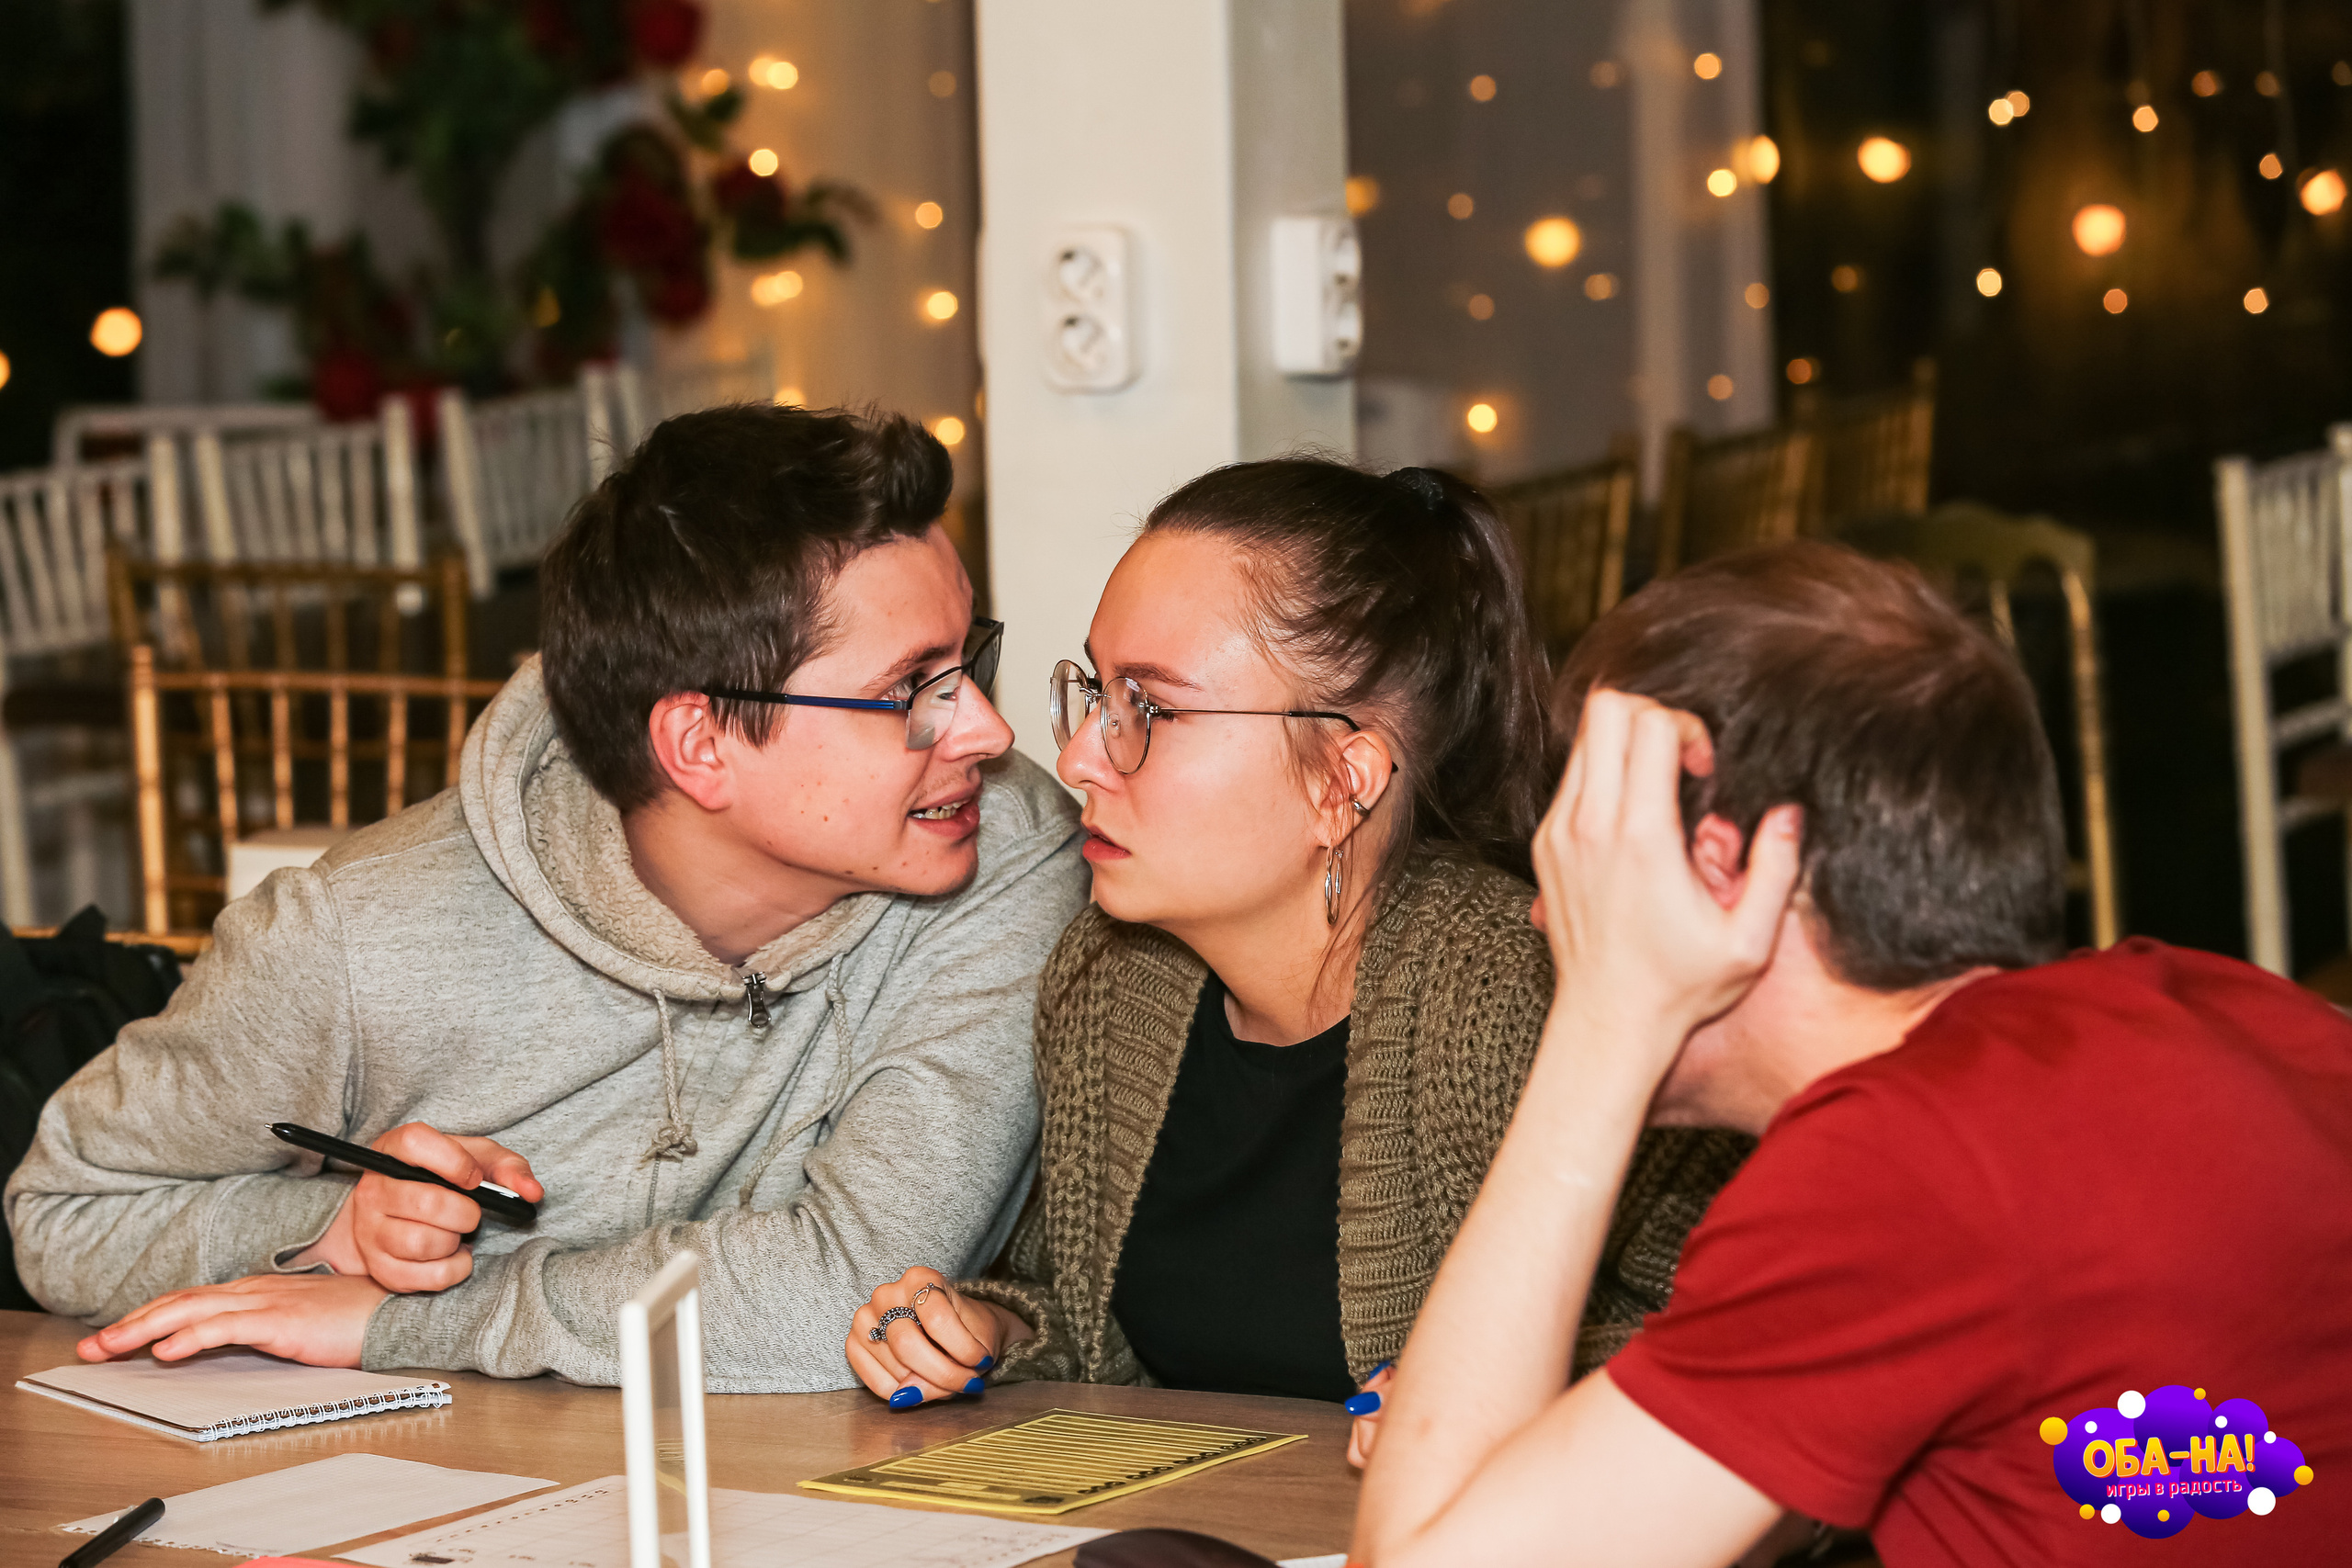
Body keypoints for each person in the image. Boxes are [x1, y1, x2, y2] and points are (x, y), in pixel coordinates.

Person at [6, 403, 1088, 1391]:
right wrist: (329, 1230)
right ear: (699, 744)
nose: (987, 733)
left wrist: (404, 1318)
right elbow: (62, 1214)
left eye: (969, 661)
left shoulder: (1004, 849)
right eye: (913, 691)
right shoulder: (356, 939)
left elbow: (844, 1290)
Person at [1351, 540, 2352, 1567]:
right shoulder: (2228, 1006)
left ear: (1714, 873)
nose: (1536, 916)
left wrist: (1604, 1023)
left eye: (1579, 855)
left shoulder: (1904, 1163)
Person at [842, 458, 1748, 1427]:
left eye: (1150, 709)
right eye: (1096, 692)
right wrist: (986, 1331)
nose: (1075, 757)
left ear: (1342, 780)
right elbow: (1093, 1318)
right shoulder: (1109, 983)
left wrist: (1511, 1392)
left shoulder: (1519, 991)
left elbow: (1731, 1342)